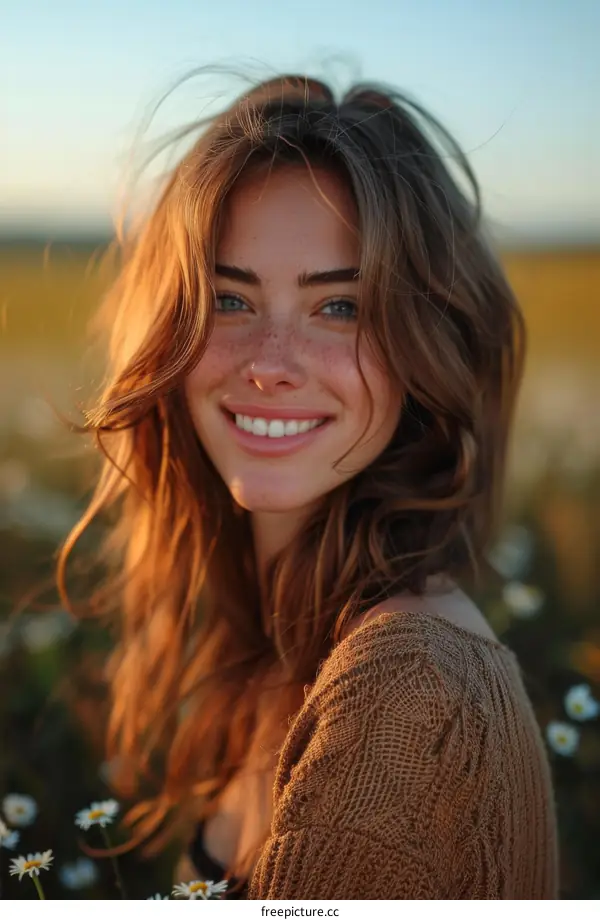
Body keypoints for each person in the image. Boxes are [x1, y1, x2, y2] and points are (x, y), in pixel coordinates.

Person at [57, 71, 559, 899]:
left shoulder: (409, 688)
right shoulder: (283, 654)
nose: (269, 366)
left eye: (340, 308)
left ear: (425, 345)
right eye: (228, 298)